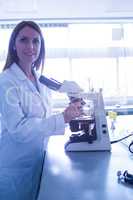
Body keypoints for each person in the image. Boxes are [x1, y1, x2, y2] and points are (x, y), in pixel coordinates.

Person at [0, 21, 83, 200]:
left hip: (40, 163)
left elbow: (42, 117)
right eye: (24, 40)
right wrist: (62, 118)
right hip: (16, 169)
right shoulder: (6, 82)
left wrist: (73, 101)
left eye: (36, 41)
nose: (30, 46)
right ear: (14, 45)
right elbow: (19, 130)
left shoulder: (40, 79)